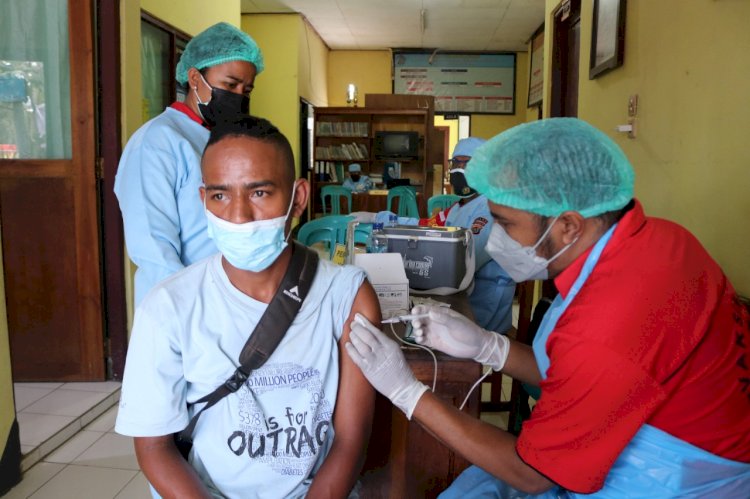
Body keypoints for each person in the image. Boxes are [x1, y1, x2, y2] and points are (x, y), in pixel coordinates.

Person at [345, 118, 750, 497]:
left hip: (677, 480)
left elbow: (532, 473)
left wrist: (407, 391)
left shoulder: (607, 322)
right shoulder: (661, 239)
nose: (497, 237)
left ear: (568, 225)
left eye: (505, 223)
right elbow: (585, 376)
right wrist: (489, 347)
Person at [115, 117, 380, 498]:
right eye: (220, 196)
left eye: (259, 193)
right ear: (202, 200)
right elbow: (154, 447)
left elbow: (350, 442)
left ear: (298, 198)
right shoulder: (169, 306)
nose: (238, 216)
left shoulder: (348, 297)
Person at [115, 22, 264, 306]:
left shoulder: (221, 140)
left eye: (246, 90)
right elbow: (153, 247)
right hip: (182, 303)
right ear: (195, 79)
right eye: (230, 85)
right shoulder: (157, 142)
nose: (238, 97)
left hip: (231, 296)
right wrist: (192, 309)